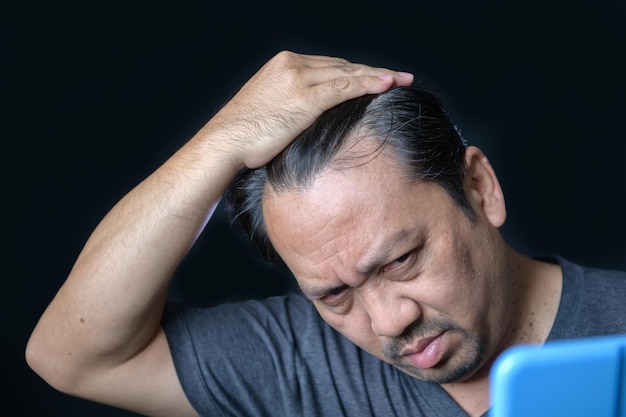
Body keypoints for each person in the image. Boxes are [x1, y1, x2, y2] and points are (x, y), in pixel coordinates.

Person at [25, 50, 626, 417]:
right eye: (334, 295)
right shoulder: (300, 363)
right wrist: (222, 143)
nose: (389, 322)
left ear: (479, 188)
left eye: (400, 261)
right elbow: (71, 356)